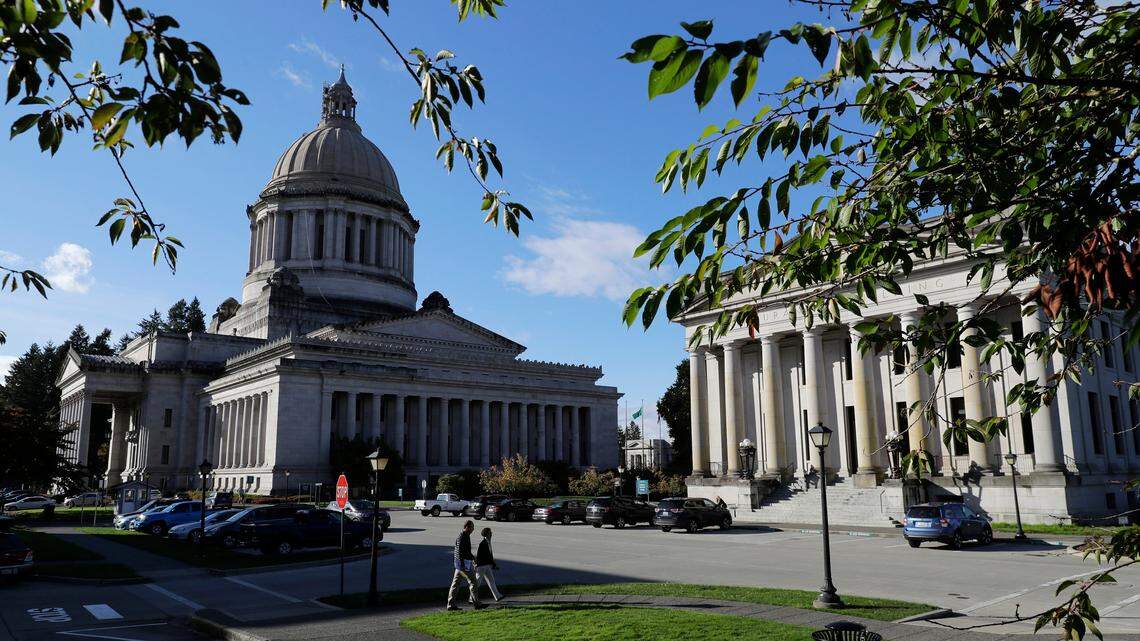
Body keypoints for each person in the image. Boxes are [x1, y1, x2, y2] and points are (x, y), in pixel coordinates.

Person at [446, 520, 484, 611]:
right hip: (462, 565)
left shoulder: (463, 535)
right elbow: (461, 552)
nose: (473, 529)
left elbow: (464, 551)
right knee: (473, 581)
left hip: (458, 565)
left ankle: (450, 605)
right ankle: (476, 603)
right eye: (472, 527)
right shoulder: (463, 536)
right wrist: (466, 563)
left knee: (455, 584)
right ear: (467, 527)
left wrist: (471, 559)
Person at [475, 527, 503, 602]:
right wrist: (494, 565)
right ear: (487, 534)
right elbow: (487, 556)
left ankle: (497, 596)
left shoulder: (488, 542)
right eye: (490, 532)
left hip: (486, 565)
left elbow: (490, 556)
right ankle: (471, 598)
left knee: (491, 581)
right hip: (481, 566)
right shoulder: (483, 543)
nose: (491, 533)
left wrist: (493, 564)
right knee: (477, 582)